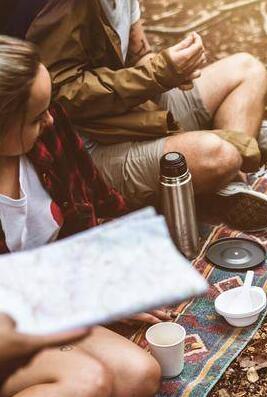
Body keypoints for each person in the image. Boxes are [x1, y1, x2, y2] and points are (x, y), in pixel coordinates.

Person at [21, 0, 267, 231]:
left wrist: (176, 67)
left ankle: (228, 188)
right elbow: (61, 95)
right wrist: (159, 73)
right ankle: (218, 165)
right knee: (221, 155)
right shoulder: (62, 6)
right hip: (89, 151)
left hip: (134, 113)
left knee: (248, 69)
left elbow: (139, 57)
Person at [0, 35, 164, 397]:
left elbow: (99, 201)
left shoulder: (47, 131)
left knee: (139, 375)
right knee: (88, 381)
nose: (49, 119)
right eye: (34, 116)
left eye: (48, 105)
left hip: (42, 301)